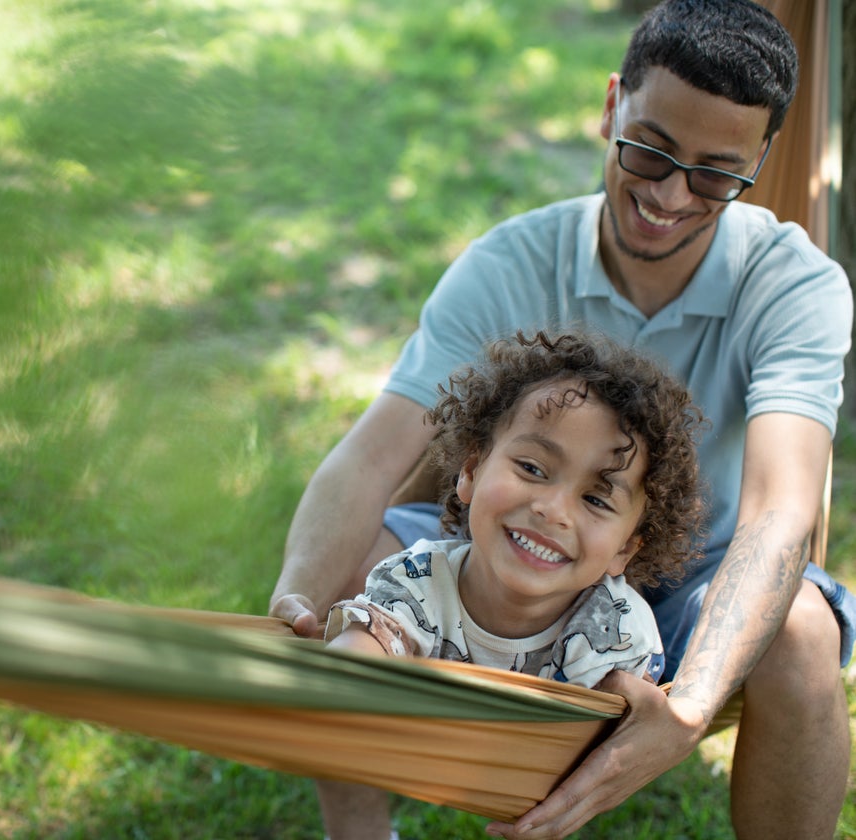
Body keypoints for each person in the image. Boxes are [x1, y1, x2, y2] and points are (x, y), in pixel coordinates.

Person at [269, 1, 856, 838]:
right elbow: (373, 457)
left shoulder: (794, 285)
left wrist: (687, 707)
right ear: (612, 103)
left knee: (800, 631)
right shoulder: (511, 263)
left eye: (715, 174)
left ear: (759, 160)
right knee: (348, 573)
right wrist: (295, 601)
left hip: (695, 573)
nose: (669, 194)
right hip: (501, 552)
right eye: (649, 149)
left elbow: (780, 512)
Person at [322, 331, 706, 838]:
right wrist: (337, 680)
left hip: (539, 769)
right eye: (531, 468)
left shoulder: (617, 631)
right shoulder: (416, 579)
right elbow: (364, 649)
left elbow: (617, 725)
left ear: (624, 550)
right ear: (472, 471)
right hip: (423, 736)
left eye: (596, 500)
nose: (553, 510)